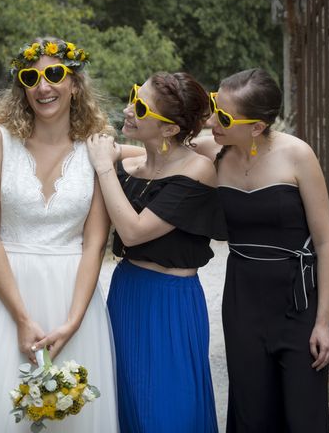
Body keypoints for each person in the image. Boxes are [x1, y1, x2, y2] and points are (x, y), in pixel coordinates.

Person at [0, 38, 118, 432]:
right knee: (2, 410)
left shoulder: (96, 148)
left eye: (54, 75)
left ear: (75, 83)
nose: (43, 86)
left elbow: (94, 242)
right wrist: (21, 317)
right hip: (6, 297)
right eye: (31, 77)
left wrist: (74, 321)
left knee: (75, 414)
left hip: (74, 299)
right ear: (22, 87)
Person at [194, 68, 329, 432]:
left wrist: (323, 322)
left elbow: (326, 241)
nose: (211, 120)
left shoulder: (298, 156)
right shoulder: (214, 151)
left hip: (297, 299)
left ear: (256, 127)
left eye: (223, 116)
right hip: (243, 297)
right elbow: (155, 151)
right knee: (251, 409)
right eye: (214, 105)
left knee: (303, 413)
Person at [86, 72, 228, 432]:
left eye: (140, 106)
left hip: (170, 302)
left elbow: (133, 232)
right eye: (135, 95)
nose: (127, 109)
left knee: (168, 409)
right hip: (127, 291)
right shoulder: (138, 164)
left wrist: (104, 166)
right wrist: (112, 155)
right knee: (128, 402)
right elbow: (132, 158)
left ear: (168, 129)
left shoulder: (197, 169)